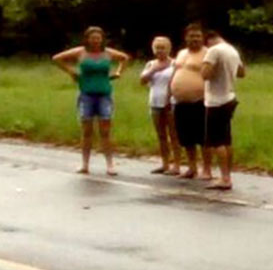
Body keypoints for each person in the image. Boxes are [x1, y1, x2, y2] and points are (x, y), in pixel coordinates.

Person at [52, 26, 130, 175]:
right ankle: (85, 164)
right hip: (86, 94)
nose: (95, 41)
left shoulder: (107, 53)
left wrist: (118, 72)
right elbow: (57, 58)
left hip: (104, 95)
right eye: (92, 38)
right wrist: (71, 72)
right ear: (87, 39)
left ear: (102, 40)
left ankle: (110, 164)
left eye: (98, 38)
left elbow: (125, 58)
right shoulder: (81, 52)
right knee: (87, 130)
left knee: (105, 130)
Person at [201, 30, 245, 190]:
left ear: (210, 40)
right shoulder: (233, 50)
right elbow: (242, 73)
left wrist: (207, 64)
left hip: (216, 100)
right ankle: (228, 174)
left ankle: (224, 178)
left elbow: (204, 74)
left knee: (216, 141)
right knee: (227, 139)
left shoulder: (214, 51)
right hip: (229, 96)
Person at [170, 23, 212, 180]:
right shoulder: (181, 53)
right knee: (186, 137)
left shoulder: (208, 54)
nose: (195, 39)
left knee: (203, 137)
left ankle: (207, 169)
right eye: (191, 36)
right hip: (180, 101)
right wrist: (170, 93)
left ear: (203, 38)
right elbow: (175, 72)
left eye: (198, 36)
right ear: (185, 37)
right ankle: (192, 167)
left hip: (200, 101)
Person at [140, 36, 181, 175]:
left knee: (174, 134)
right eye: (157, 47)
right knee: (161, 135)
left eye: (163, 47)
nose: (160, 50)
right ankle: (165, 164)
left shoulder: (175, 63)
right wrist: (154, 70)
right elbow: (142, 81)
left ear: (169, 49)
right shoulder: (151, 64)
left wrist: (170, 98)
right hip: (155, 102)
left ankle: (177, 164)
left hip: (171, 103)